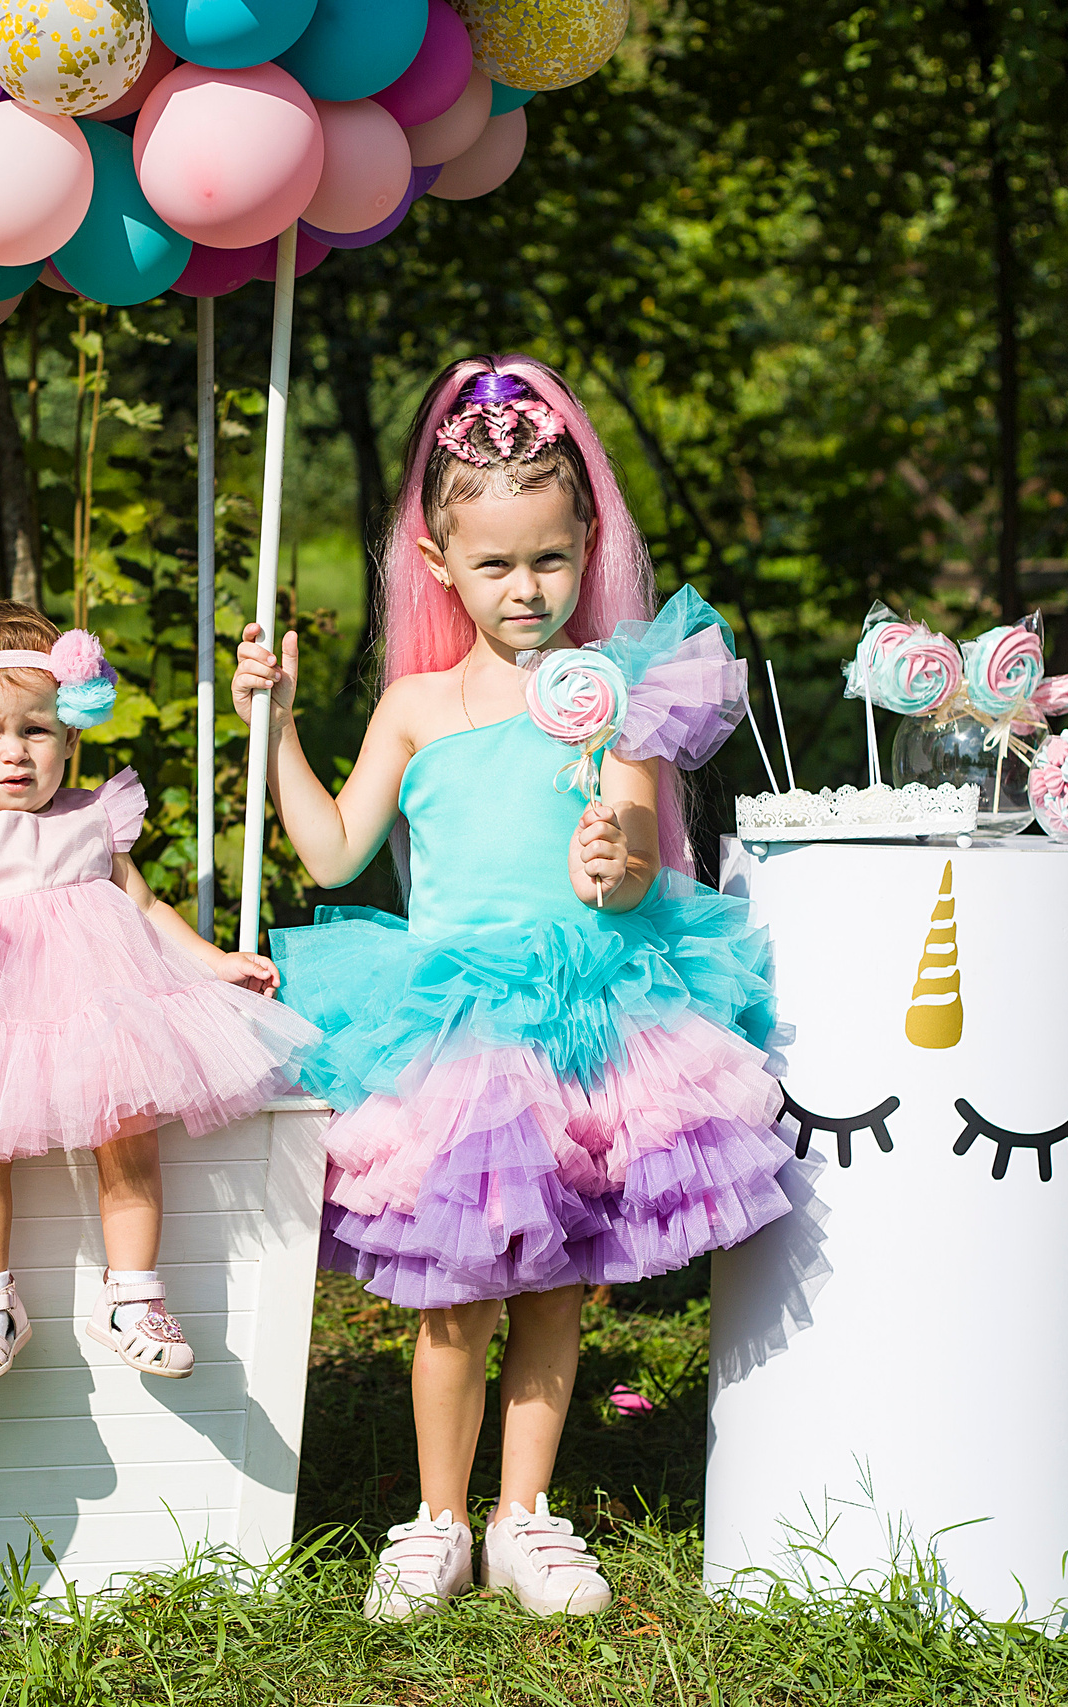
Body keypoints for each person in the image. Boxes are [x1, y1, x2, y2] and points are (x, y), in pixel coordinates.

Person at [231, 358, 796, 1621]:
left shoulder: (612, 701)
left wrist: (616, 859)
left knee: (553, 1285)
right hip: (453, 1027)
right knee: (454, 1293)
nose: (525, 590)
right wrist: (273, 732)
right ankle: (432, 1518)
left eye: (547, 560)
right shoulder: (417, 706)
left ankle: (524, 1515)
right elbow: (333, 853)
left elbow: (636, 850)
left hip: (587, 1011)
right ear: (438, 565)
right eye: (494, 566)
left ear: (584, 544)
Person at [0, 601, 318, 1392]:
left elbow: (147, 909)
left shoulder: (93, 817)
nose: (14, 753)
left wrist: (209, 961)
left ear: (71, 734)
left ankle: (134, 1292)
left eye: (38, 730)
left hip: (100, 1017)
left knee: (129, 1135)